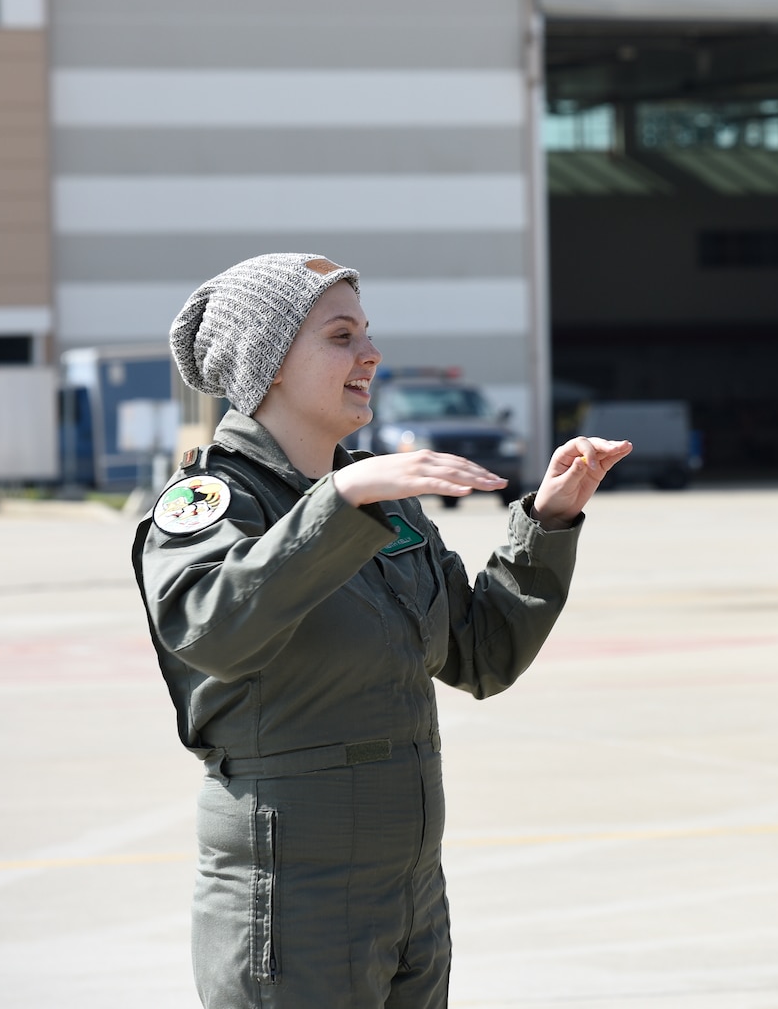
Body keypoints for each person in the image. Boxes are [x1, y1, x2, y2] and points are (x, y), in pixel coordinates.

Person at [133, 253, 631, 1008]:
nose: (371, 354)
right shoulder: (211, 502)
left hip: (410, 893)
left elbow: (482, 652)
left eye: (367, 332)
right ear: (267, 365)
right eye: (340, 335)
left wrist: (550, 522)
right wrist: (339, 500)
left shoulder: (384, 499)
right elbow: (215, 629)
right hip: (290, 894)